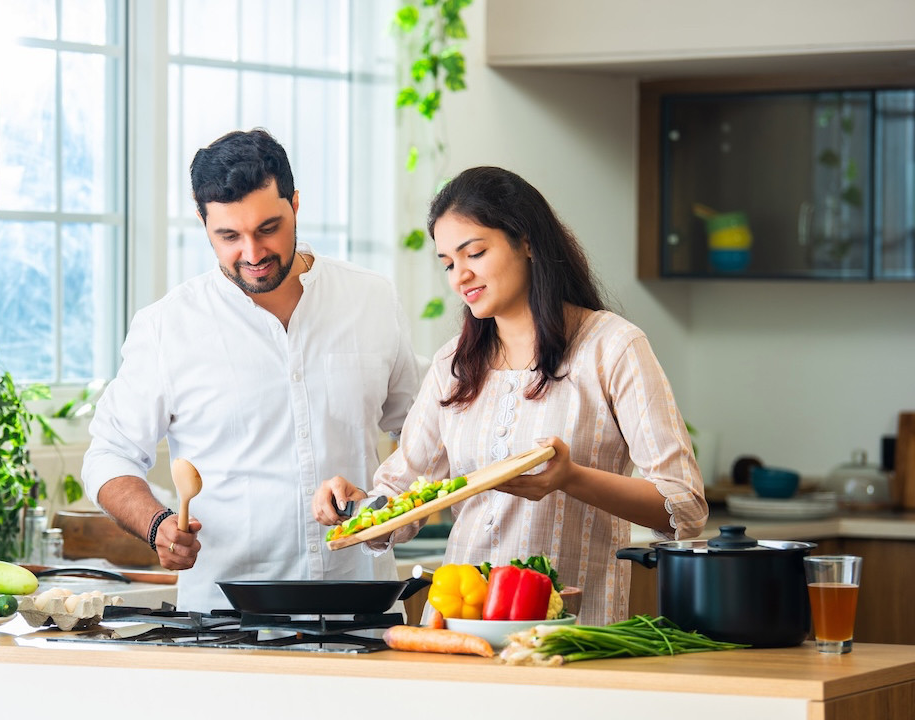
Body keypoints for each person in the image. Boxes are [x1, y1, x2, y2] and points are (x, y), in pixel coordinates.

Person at [312, 166, 708, 625]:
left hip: (572, 632)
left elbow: (683, 505)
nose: (460, 276)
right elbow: (403, 492)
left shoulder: (612, 347)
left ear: (527, 241)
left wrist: (570, 477)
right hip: (460, 627)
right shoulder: (452, 366)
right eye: (447, 264)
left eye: (474, 253)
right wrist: (356, 507)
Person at [82, 129, 420, 612]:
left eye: (268, 228)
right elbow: (108, 456)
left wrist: (388, 505)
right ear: (203, 222)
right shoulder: (166, 327)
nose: (253, 253)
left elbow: (421, 435)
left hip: (362, 609)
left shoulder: (371, 299)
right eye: (228, 236)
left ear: (296, 204)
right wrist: (157, 524)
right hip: (227, 622)